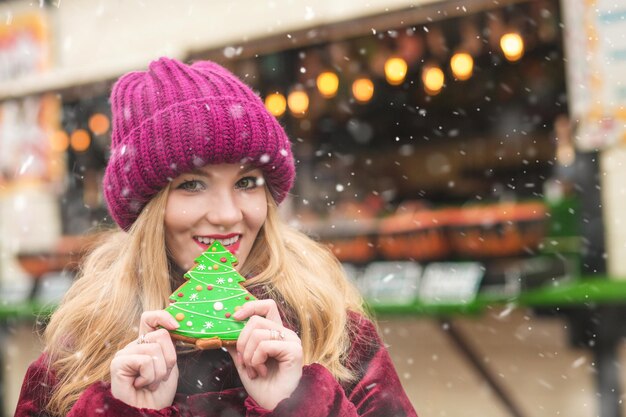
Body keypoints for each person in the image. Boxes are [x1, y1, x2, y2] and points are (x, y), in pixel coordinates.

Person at [15, 57, 418, 417]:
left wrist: (297, 403)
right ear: (146, 209)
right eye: (192, 185)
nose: (227, 215)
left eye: (246, 181)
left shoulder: (329, 329)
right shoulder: (79, 355)